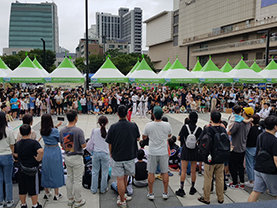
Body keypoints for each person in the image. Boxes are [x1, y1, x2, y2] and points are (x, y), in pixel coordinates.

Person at [106, 105, 140, 208]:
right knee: (125, 177)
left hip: (117, 156)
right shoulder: (133, 125)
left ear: (117, 114)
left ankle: (122, 199)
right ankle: (123, 196)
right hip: (130, 155)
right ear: (127, 114)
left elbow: (110, 142)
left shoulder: (113, 127)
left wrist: (111, 153)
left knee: (120, 179)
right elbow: (138, 139)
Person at [142, 106, 172, 201]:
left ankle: (151, 193)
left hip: (152, 151)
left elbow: (144, 137)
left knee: (151, 172)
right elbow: (169, 135)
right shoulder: (167, 125)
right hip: (163, 151)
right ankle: (165, 192)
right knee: (165, 172)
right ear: (162, 115)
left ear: (153, 115)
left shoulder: (149, 125)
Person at [198, 110, 228, 204]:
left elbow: (200, 141)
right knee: (220, 178)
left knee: (208, 178)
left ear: (210, 119)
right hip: (221, 156)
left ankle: (206, 198)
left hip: (210, 157)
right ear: (220, 119)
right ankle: (220, 198)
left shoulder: (207, 129)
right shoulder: (223, 129)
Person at [59, 110, 86, 207]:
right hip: (77, 156)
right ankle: (78, 200)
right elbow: (83, 145)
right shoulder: (78, 131)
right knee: (78, 179)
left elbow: (62, 144)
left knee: (69, 178)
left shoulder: (62, 131)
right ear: (76, 118)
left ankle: (70, 199)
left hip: (67, 156)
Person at [248, 116, 277, 202]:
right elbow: (276, 159)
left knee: (256, 191)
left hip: (258, 167)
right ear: (275, 126)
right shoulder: (274, 141)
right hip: (270, 171)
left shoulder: (261, 135)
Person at [14, 124, 44, 208]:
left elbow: (15, 154)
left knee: (22, 188)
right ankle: (34, 204)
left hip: (21, 168)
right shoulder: (33, 143)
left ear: (20, 133)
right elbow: (41, 151)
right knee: (33, 188)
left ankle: (23, 204)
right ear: (30, 132)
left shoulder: (18, 144)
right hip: (32, 169)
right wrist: (38, 159)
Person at [176, 112, 202, 197]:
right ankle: (192, 187)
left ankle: (181, 188)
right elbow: (200, 141)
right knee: (193, 171)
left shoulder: (184, 127)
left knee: (183, 170)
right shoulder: (199, 129)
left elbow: (179, 138)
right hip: (194, 150)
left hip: (185, 149)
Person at [40, 114, 64, 201]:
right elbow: (59, 139)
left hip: (46, 150)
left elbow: (49, 130)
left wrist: (56, 126)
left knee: (46, 171)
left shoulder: (42, 130)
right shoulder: (54, 131)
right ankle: (56, 193)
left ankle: (47, 192)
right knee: (56, 171)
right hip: (54, 151)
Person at [228, 107, 253, 189]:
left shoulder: (238, 123)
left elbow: (230, 132)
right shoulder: (249, 123)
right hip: (243, 146)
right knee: (240, 165)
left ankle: (235, 182)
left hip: (235, 146)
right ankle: (242, 182)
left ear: (244, 113)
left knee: (233, 166)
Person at [86, 116, 110, 194]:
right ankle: (103, 189)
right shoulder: (108, 131)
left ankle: (94, 189)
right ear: (107, 122)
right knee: (104, 172)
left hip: (96, 153)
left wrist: (90, 150)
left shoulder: (94, 131)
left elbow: (90, 142)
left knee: (95, 172)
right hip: (105, 153)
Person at [0, 112, 16, 208]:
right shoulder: (8, 131)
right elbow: (12, 145)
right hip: (7, 155)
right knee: (8, 179)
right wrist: (12, 155)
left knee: (0, 179)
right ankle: (9, 200)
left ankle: (1, 201)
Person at [245, 114, 263, 188]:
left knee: (249, 164)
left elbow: (248, 138)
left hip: (250, 147)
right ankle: (256, 180)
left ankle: (251, 180)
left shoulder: (251, 129)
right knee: (255, 164)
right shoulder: (261, 128)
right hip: (258, 148)